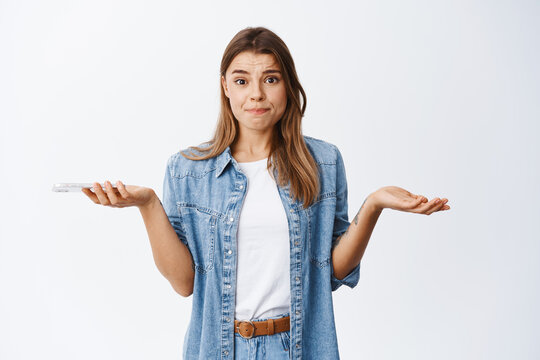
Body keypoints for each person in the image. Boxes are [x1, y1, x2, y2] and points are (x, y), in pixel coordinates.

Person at [83, 26, 450, 360]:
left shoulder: (323, 161)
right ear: (225, 86)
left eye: (270, 79)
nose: (256, 94)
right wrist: (147, 204)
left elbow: (333, 271)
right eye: (241, 81)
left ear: (288, 85)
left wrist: (373, 206)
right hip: (217, 347)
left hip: (298, 346)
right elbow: (184, 283)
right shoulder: (187, 169)